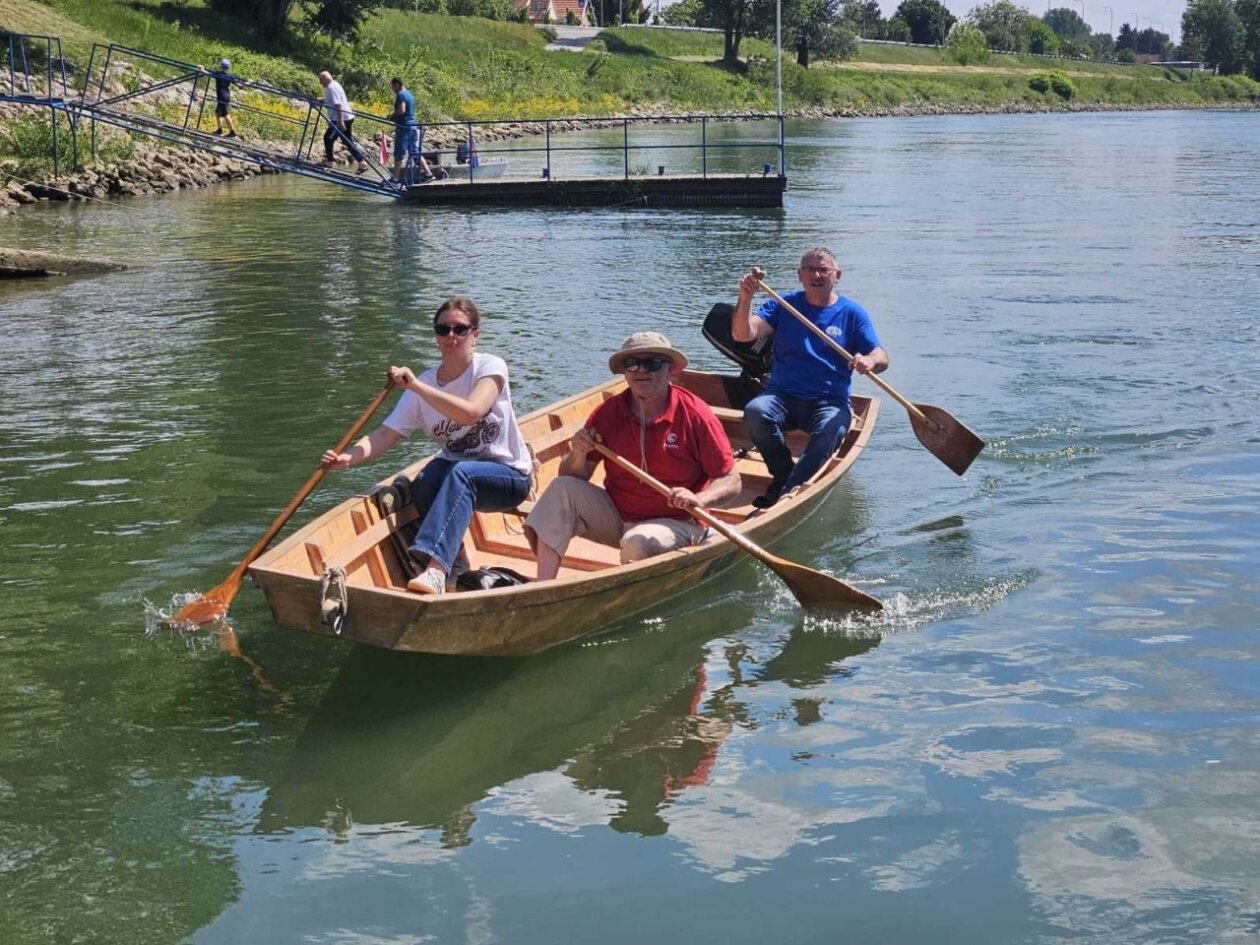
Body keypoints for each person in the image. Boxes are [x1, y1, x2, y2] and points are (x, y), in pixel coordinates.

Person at [321, 298, 533, 595]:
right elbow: (386, 434)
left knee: (462, 473)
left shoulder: (490, 367)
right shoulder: (423, 384)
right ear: (436, 335)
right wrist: (348, 458)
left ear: (475, 334)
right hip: (460, 475)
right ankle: (455, 563)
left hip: (509, 476)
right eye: (443, 329)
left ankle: (436, 570)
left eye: (460, 329)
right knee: (426, 480)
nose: (451, 336)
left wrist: (416, 387)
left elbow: (471, 412)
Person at [525, 332, 741, 581]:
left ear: (669, 370)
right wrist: (578, 453)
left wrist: (699, 499)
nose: (641, 370)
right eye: (632, 364)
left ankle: (641, 582)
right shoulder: (608, 412)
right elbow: (572, 476)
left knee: (636, 543)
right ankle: (542, 586)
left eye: (652, 363)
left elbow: (732, 481)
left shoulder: (695, 415)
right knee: (561, 488)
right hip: (619, 516)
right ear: (625, 372)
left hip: (679, 521)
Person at [733, 247, 889, 509]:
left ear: (837, 275)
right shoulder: (783, 305)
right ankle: (784, 475)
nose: (816, 275)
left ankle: (786, 492)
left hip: (829, 401)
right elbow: (742, 334)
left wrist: (869, 361)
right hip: (782, 396)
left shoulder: (852, 313)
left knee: (832, 429)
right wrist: (746, 296)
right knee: (755, 411)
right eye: (809, 269)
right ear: (799, 275)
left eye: (823, 270)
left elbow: (881, 355)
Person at [317, 70, 368, 174]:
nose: (320, 83)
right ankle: (362, 163)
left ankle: (330, 162)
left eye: (321, 80)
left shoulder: (331, 88)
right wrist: (321, 100)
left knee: (328, 138)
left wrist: (340, 122)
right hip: (346, 117)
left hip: (340, 119)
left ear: (325, 79)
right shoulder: (335, 84)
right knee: (347, 141)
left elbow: (338, 105)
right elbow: (332, 100)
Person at [388, 77, 433, 183]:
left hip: (404, 128)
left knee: (398, 154)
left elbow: (402, 110)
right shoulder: (410, 94)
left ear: (397, 85)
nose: (392, 89)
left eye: (392, 86)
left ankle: (395, 178)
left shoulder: (400, 95)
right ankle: (429, 174)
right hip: (413, 127)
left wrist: (391, 116)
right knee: (415, 152)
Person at [199, 59, 239, 138]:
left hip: (221, 96)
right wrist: (247, 83)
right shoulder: (230, 76)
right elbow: (239, 85)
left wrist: (201, 69)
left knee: (225, 114)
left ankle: (233, 132)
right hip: (227, 95)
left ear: (221, 66)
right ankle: (219, 130)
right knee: (218, 112)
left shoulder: (219, 74)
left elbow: (207, 73)